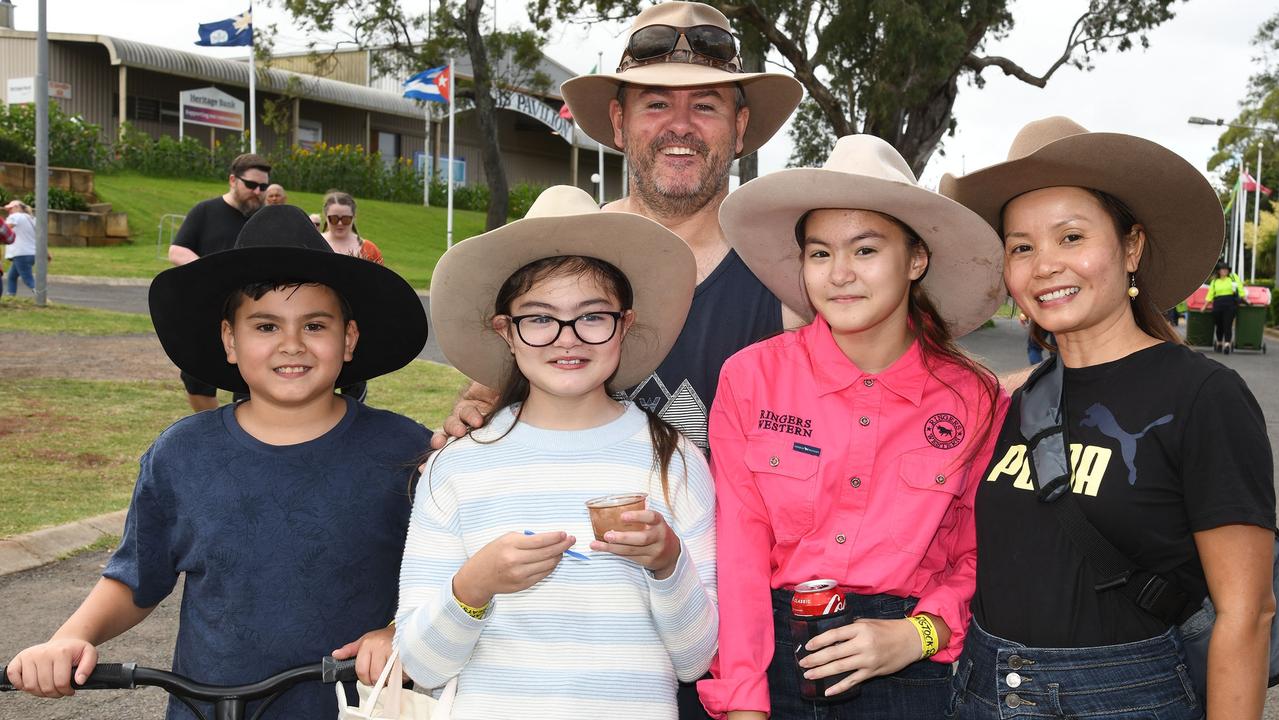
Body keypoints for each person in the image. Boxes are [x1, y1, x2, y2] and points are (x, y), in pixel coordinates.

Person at [5, 205, 433, 719]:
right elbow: (137, 575)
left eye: (315, 325)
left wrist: (399, 634)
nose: (291, 344)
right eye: (266, 325)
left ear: (350, 338)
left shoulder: (406, 451)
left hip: (352, 704)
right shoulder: (182, 454)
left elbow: (445, 575)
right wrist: (71, 636)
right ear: (231, 341)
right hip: (209, 708)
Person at [940, 116, 1275, 719]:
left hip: (1124, 699)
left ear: (1131, 247)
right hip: (983, 692)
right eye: (1021, 246)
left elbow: (1246, 613)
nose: (1044, 264)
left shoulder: (1202, 396)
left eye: (1071, 237)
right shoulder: (1014, 402)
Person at [698, 136, 1007, 720]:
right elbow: (737, 549)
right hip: (777, 665)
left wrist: (920, 632)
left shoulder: (974, 398)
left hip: (911, 676)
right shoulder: (750, 378)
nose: (839, 274)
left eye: (865, 250)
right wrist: (743, 699)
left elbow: (980, 554)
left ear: (916, 259)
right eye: (819, 254)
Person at [397, 185, 717, 718]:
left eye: (593, 316)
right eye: (540, 318)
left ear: (626, 324)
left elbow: (696, 660)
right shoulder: (456, 467)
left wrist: (668, 563)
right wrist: (474, 586)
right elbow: (421, 665)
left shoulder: (676, 461)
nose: (567, 339)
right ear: (507, 331)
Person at [435, 0, 805, 456]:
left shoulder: (788, 280)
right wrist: (477, 408)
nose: (681, 126)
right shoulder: (557, 260)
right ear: (618, 123)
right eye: (655, 104)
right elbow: (494, 395)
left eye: (706, 106)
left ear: (740, 126)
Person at [168, 153, 272, 412]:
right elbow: (177, 251)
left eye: (263, 187)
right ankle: (213, 428)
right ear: (232, 180)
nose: (257, 192)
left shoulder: (265, 220)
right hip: (207, 310)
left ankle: (253, 429)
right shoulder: (205, 211)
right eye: (251, 185)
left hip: (253, 311)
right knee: (196, 379)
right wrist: (210, 272)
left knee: (250, 379)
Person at [321, 191, 384, 264]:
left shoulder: (370, 250)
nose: (340, 223)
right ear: (326, 217)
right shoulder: (313, 243)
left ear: (354, 217)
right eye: (334, 218)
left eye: (346, 219)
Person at [1205, 261, 1246, 354]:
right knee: (1219, 325)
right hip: (1218, 304)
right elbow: (1210, 294)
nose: (1224, 271)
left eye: (1226, 269)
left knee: (1227, 325)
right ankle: (1219, 343)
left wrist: (1244, 298)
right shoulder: (1215, 281)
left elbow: (1240, 287)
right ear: (1219, 271)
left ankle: (1227, 344)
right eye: (1222, 269)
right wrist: (1204, 306)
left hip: (1230, 304)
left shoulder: (1233, 278)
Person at [4, 200, 37, 296]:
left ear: (18, 207)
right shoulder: (32, 218)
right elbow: (39, 237)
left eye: (10, 208)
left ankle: (42, 297)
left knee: (28, 279)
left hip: (21, 253)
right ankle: (11, 296)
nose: (9, 211)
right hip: (32, 253)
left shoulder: (15, 216)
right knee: (11, 276)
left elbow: (4, 229)